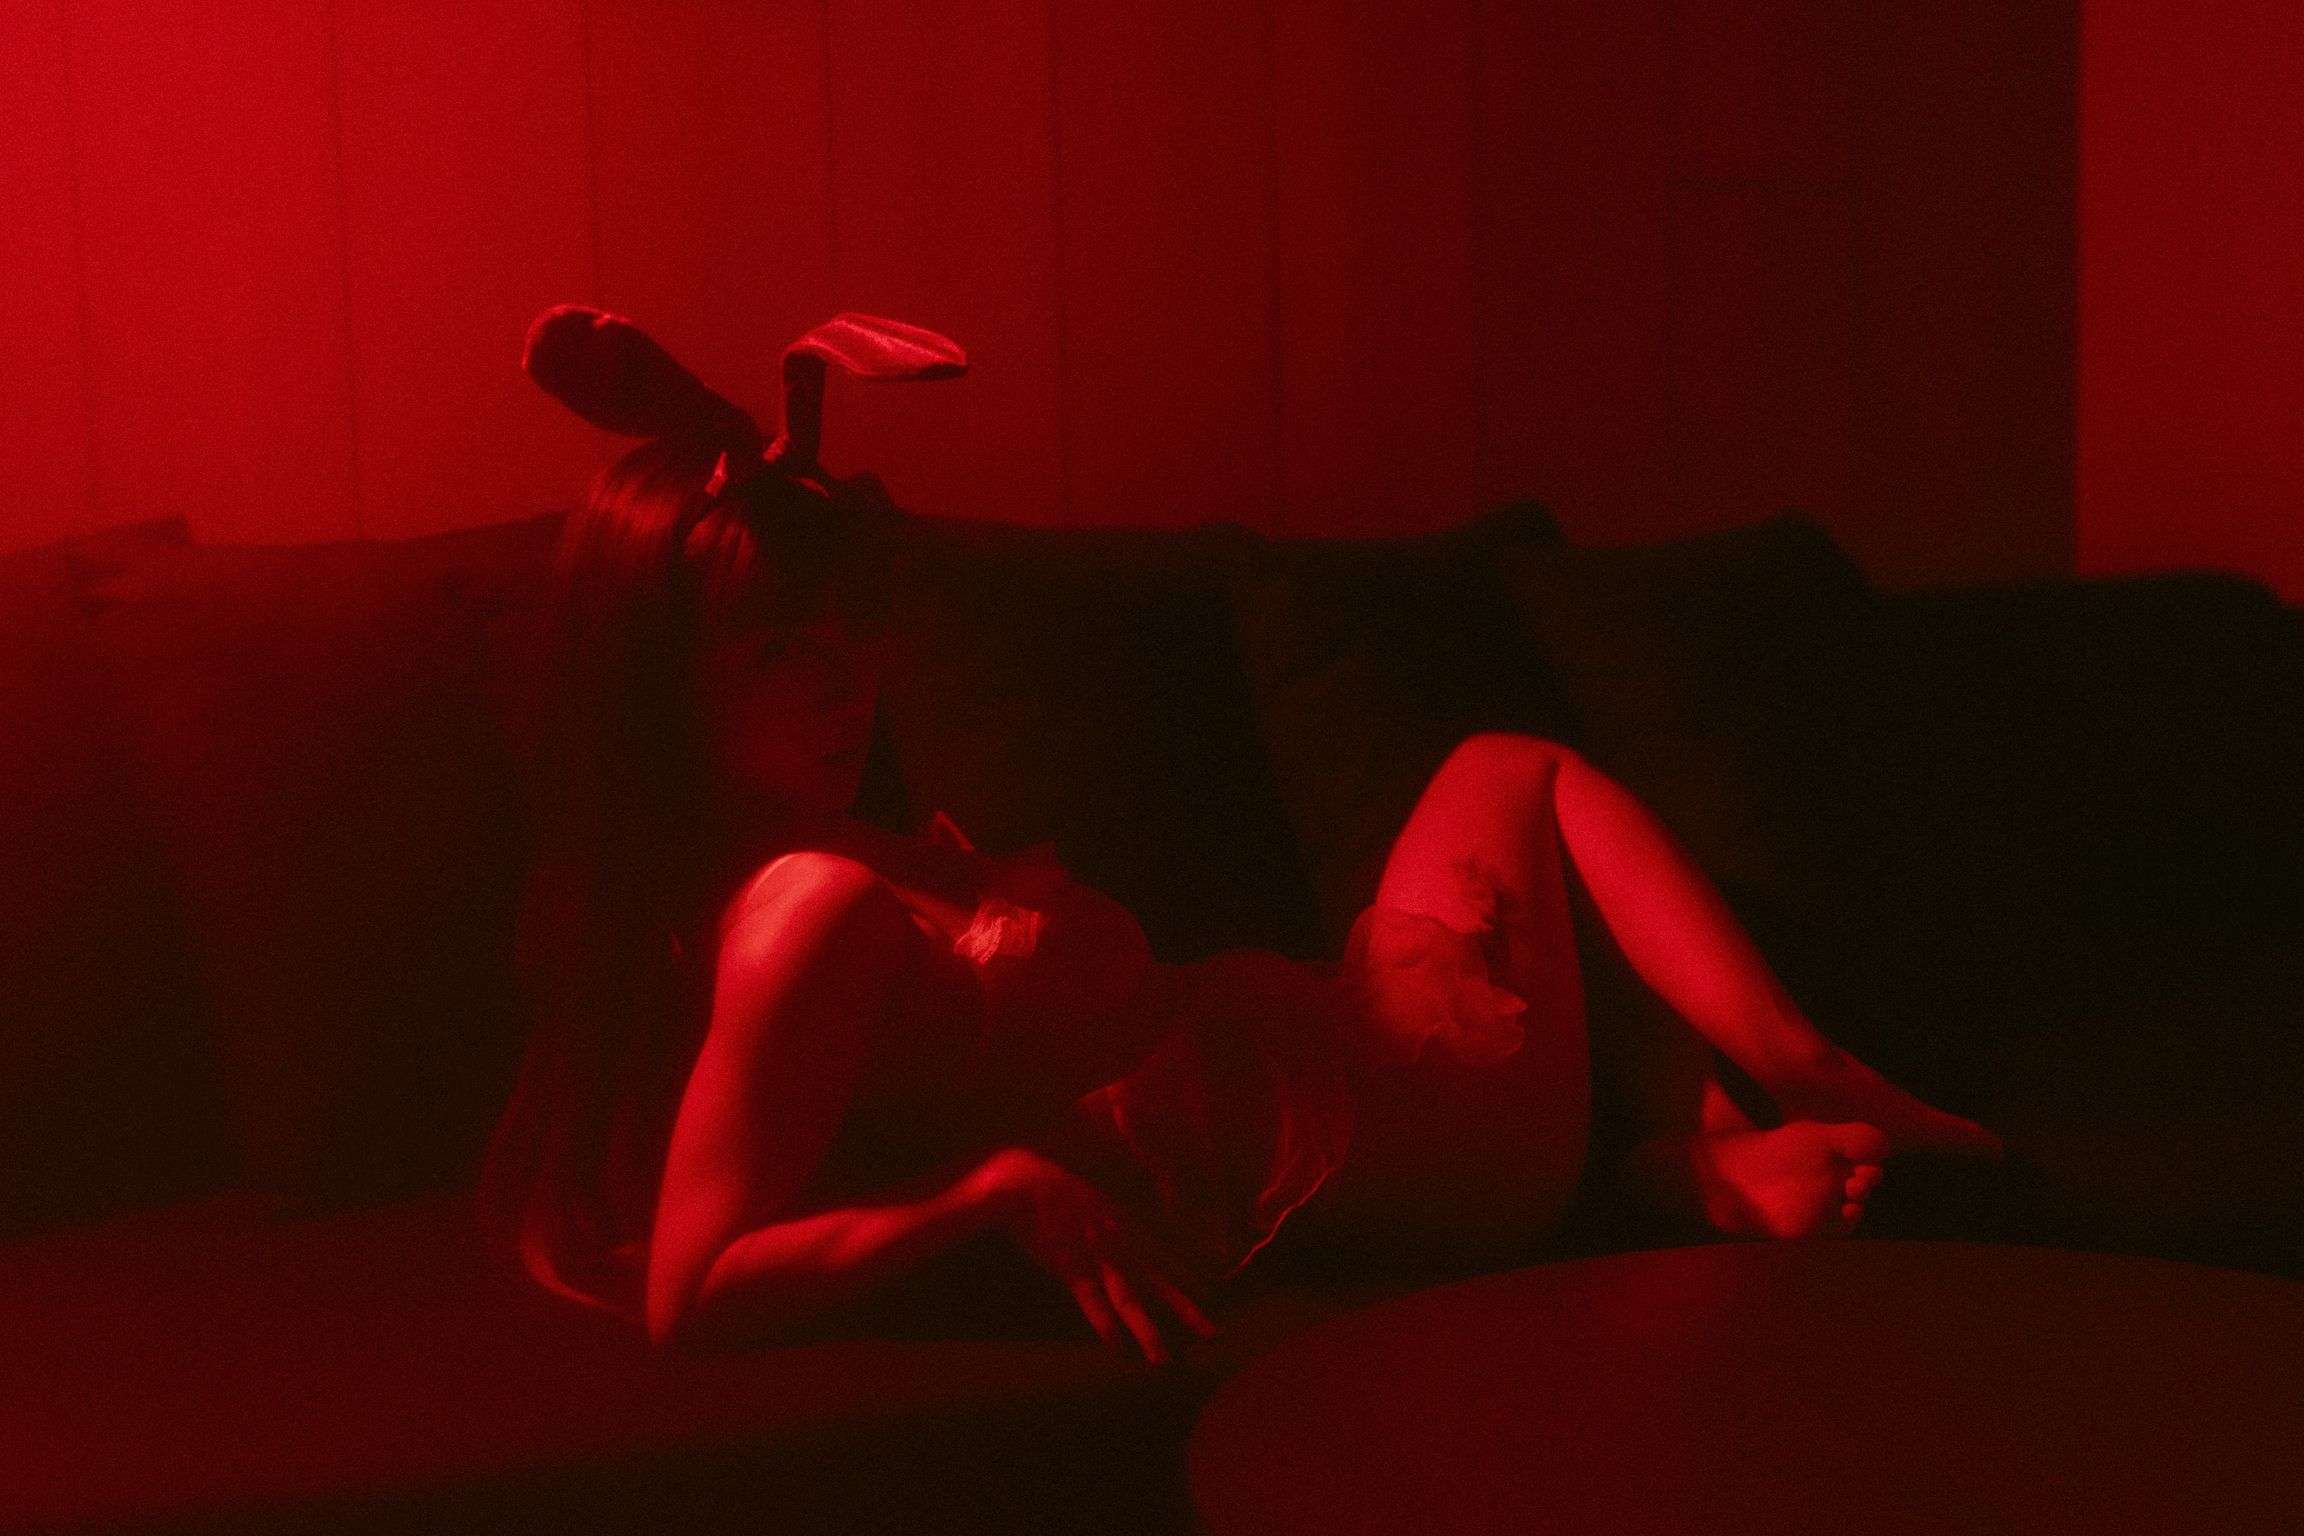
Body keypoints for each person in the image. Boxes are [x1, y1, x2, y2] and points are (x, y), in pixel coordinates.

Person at [477, 308, 2000, 1365]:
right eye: (776, 658)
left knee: (1499, 780)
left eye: (843, 640)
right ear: (664, 691)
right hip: (1397, 1133)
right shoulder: (801, 906)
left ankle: (1707, 1151)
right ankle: (1781, 1091)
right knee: (1519, 775)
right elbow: (695, 1287)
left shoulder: (774, 869)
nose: (843, 691)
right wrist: (989, 1196)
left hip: (1318, 1058)